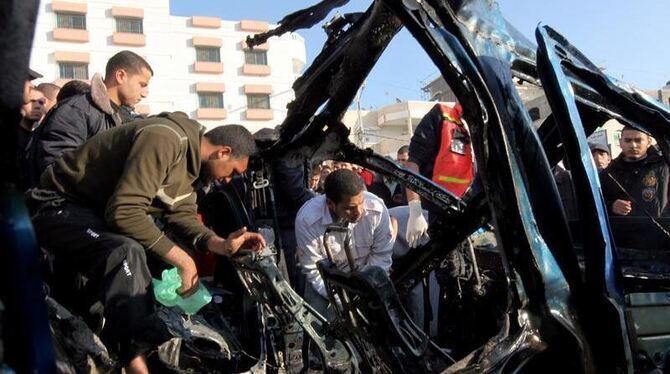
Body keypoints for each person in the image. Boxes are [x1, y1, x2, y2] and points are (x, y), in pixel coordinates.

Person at [30, 112, 266, 373]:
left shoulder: (190, 170)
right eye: (233, 171)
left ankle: (135, 352)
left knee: (143, 262)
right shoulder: (164, 138)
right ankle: (137, 365)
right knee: (126, 253)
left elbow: (182, 215)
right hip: (58, 206)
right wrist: (184, 260)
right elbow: (123, 212)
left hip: (93, 218)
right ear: (223, 151)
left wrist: (221, 244)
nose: (228, 180)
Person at [31, 50, 153, 181]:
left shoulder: (122, 117)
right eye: (142, 85)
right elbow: (56, 170)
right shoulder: (76, 111)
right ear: (120, 76)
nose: (144, 93)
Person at [295, 169, 394, 316]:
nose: (359, 212)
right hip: (327, 283)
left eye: (361, 203)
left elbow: (381, 257)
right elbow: (314, 271)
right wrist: (344, 301)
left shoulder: (377, 209)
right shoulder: (308, 221)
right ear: (330, 204)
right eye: (350, 208)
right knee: (319, 325)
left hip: (367, 278)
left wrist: (364, 290)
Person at [404, 102, 474, 246]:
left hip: (474, 211)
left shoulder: (488, 125)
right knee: (449, 264)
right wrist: (415, 210)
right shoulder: (442, 116)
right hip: (439, 213)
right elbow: (412, 163)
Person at [601, 126, 669, 217]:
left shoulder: (665, 166)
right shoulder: (609, 172)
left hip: (660, 228)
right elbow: (594, 202)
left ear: (648, 142)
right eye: (628, 140)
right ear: (620, 142)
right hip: (625, 229)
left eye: (638, 140)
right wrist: (611, 206)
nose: (633, 145)